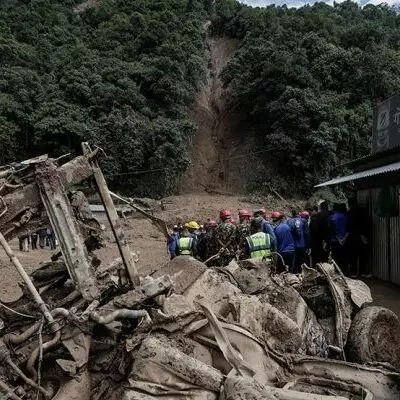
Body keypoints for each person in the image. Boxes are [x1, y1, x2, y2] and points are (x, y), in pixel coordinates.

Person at [346, 197, 371, 277]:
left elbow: (348, 226)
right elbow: (366, 224)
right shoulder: (362, 211)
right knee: (362, 255)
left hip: (352, 236)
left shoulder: (349, 213)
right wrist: (364, 235)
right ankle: (363, 272)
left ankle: (353, 273)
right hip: (361, 237)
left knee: (353, 255)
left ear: (349, 204)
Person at [309, 200, 330, 266]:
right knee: (325, 258)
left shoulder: (316, 217)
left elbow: (313, 230)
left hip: (317, 241)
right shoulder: (330, 214)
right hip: (327, 240)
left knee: (316, 259)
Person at [329, 203, 348, 271]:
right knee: (343, 257)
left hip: (335, 240)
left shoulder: (331, 217)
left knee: (335, 258)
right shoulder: (345, 217)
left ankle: (336, 272)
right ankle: (344, 272)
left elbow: (331, 229)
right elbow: (348, 228)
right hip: (344, 240)